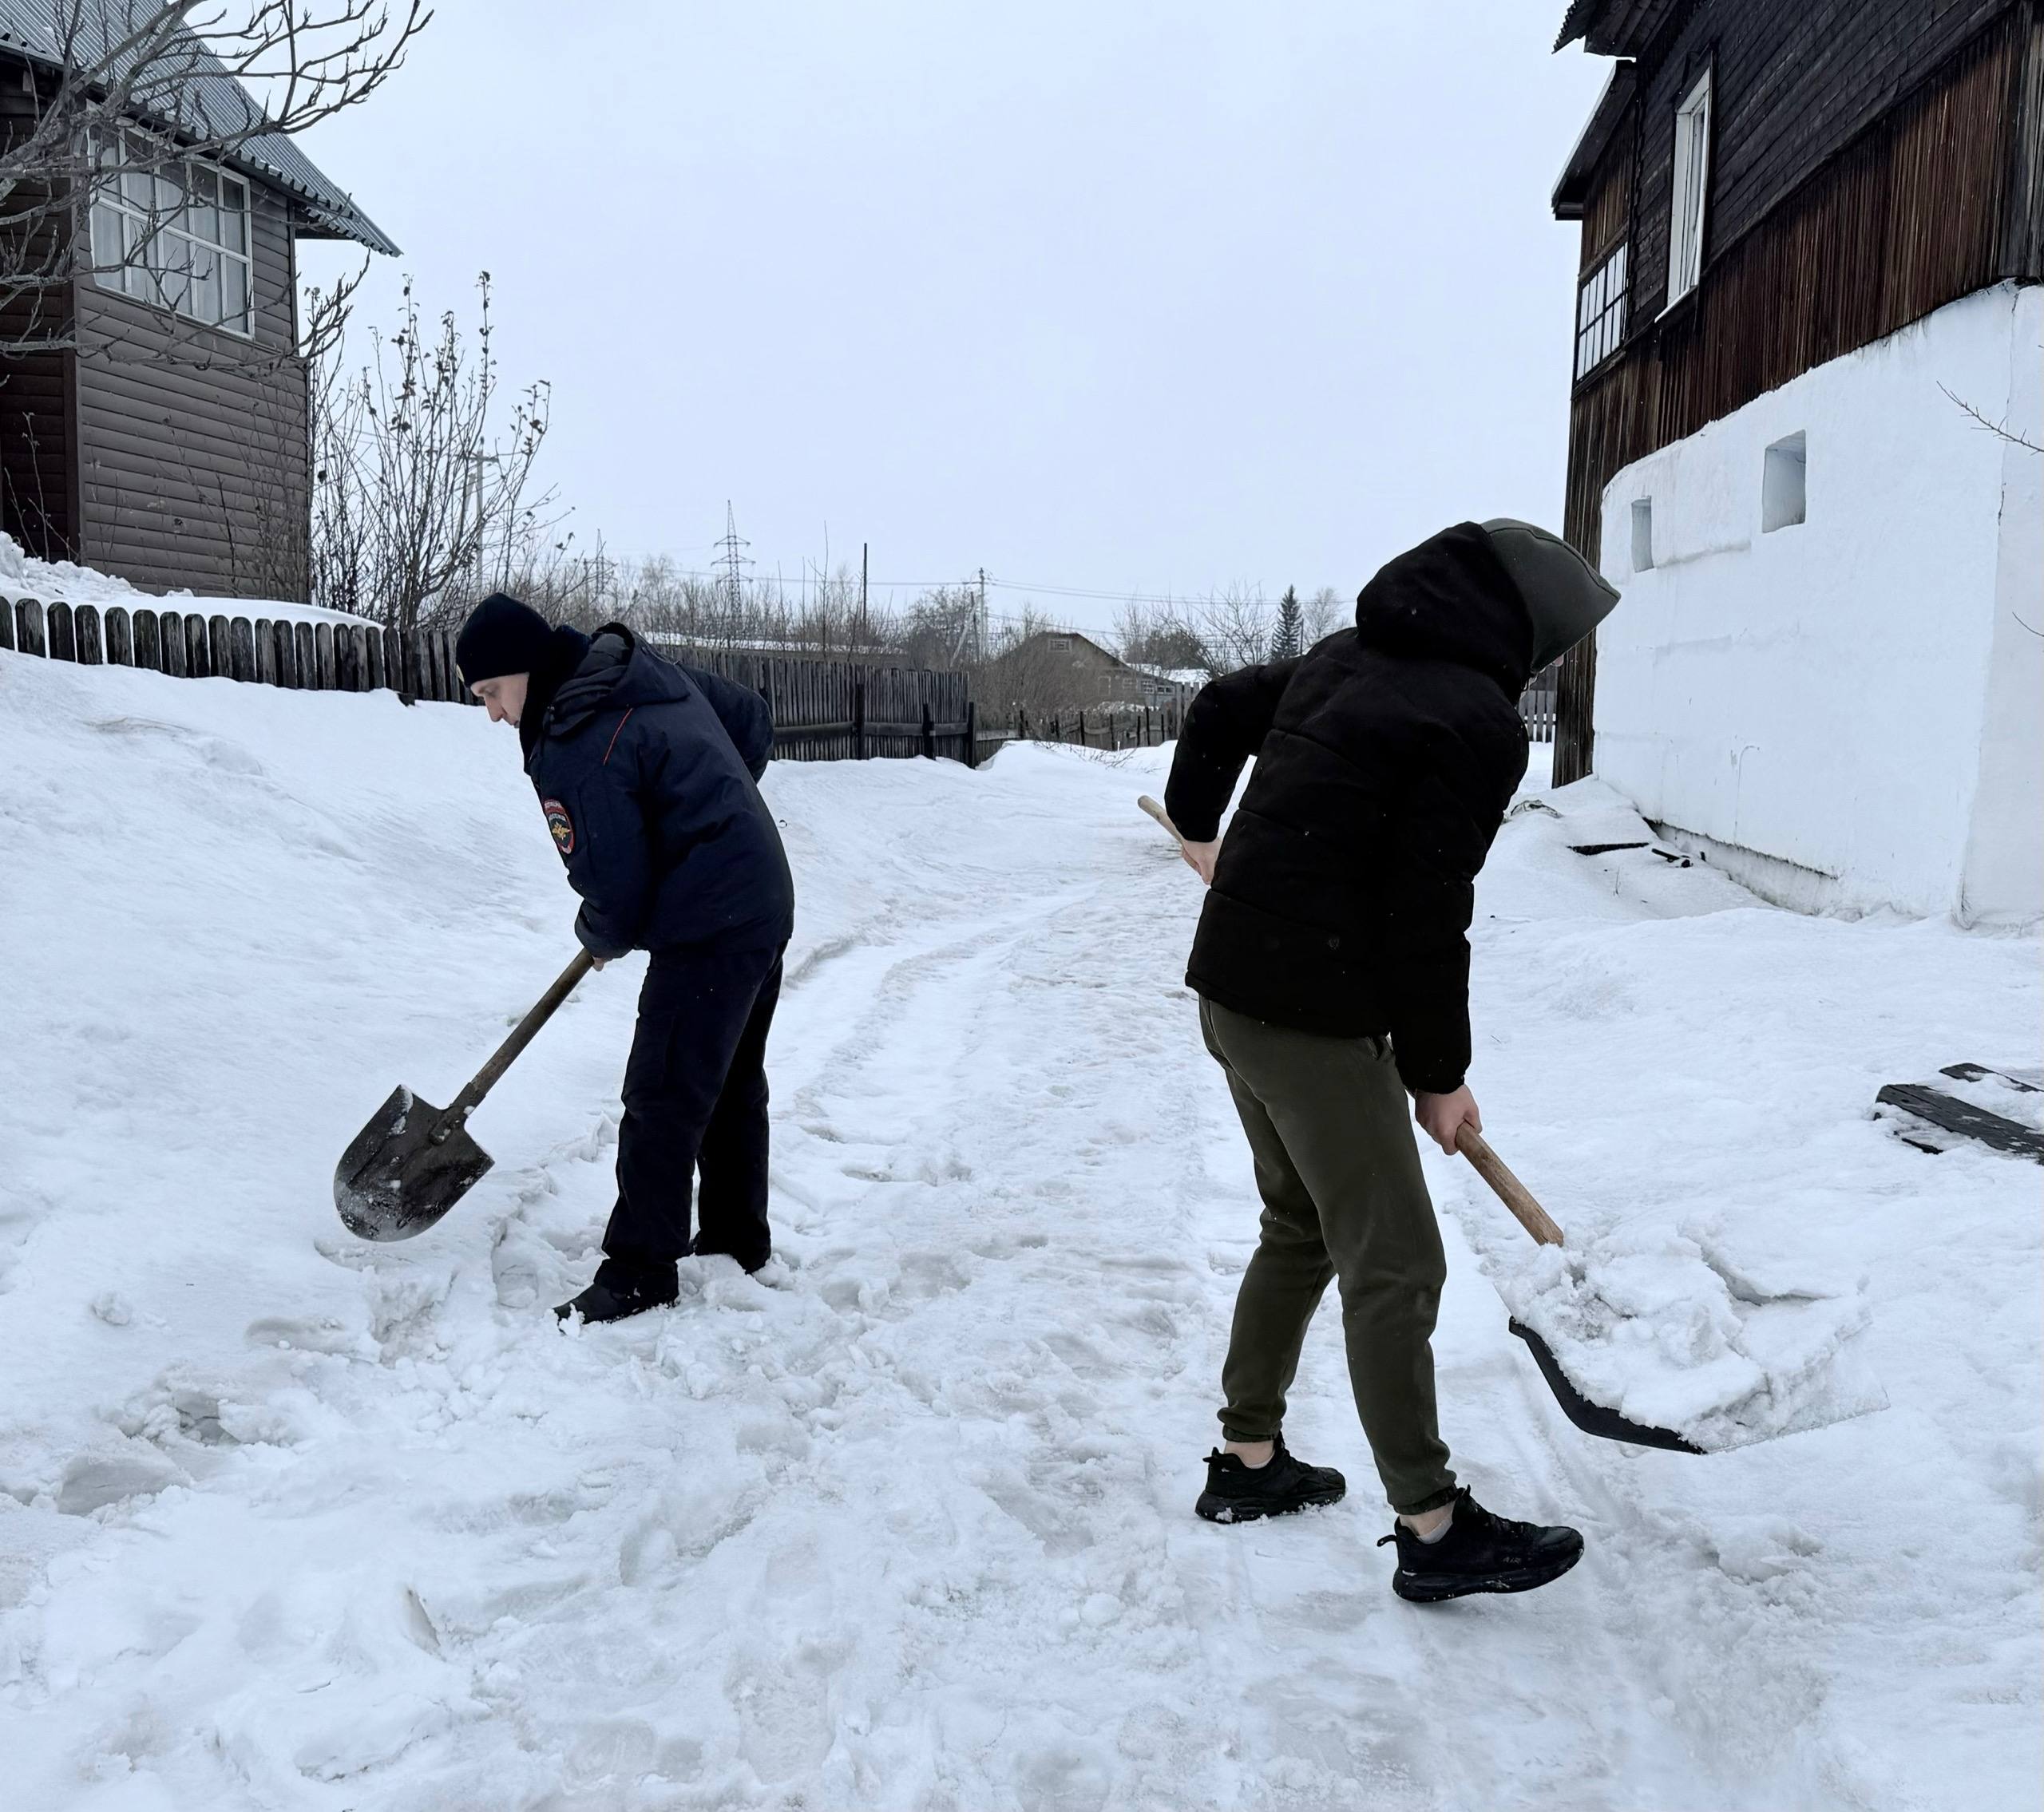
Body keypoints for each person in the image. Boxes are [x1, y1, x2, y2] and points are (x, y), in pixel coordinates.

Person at [1162, 520, 1618, 1602]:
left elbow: (1221, 706)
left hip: (1233, 995)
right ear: (1519, 631)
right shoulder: (1475, 721)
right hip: (1310, 1018)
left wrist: (1197, 826)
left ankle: (1251, 1460)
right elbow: (1426, 915)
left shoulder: (1340, 657)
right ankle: (1432, 1522)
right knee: (1398, 1262)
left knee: (1302, 1225)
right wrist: (1439, 1072)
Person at [454, 593, 796, 1324]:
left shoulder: (575, 737)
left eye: (490, 693)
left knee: (663, 1091)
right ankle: (738, 1240)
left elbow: (614, 881)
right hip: (761, 892)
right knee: (729, 1076)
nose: (491, 714)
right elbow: (747, 719)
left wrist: (608, 930)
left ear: (521, 669)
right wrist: (713, 816)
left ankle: (641, 1271)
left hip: (710, 919)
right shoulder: (635, 670)